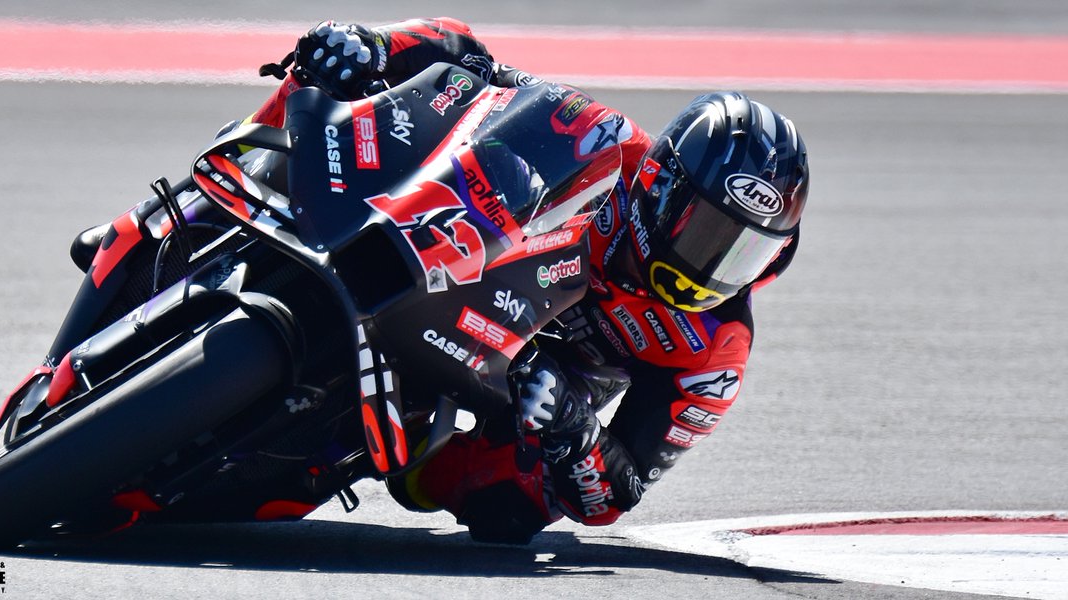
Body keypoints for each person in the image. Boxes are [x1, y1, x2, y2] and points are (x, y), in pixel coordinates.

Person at [78, 17, 810, 543]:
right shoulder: (601, 139)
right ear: (661, 186)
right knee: (324, 79)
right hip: (450, 260)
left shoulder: (715, 346)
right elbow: (467, 57)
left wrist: (576, 435)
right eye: (711, 235)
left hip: (518, 379)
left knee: (502, 508)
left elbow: (615, 493)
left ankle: (304, 457)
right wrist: (372, 47)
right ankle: (179, 214)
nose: (712, 269)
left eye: (744, 253)